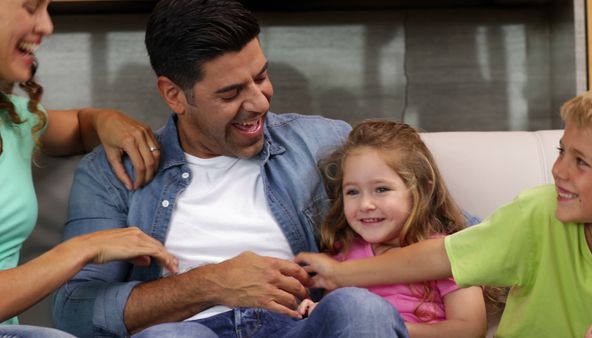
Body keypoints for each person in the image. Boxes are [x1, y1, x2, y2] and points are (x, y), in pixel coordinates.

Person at [53, 0, 408, 337]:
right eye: (230, 93)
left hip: (301, 326)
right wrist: (212, 283)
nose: (258, 101)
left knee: (362, 307)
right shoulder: (111, 174)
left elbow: (442, 229)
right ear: (174, 94)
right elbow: (74, 313)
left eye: (261, 76)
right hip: (187, 332)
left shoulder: (323, 141)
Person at [296, 80, 592, 338]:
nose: (559, 170)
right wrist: (339, 275)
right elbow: (442, 256)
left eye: (581, 162)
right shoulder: (538, 211)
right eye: (561, 151)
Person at [0, 0, 179, 337]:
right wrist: (83, 248)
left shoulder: (12, 118)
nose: (47, 26)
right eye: (31, 7)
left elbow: (81, 125)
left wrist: (106, 120)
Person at [295, 120, 487, 337]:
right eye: (352, 192)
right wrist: (318, 311)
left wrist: (390, 328)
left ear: (421, 189)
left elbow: (470, 329)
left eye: (381, 189)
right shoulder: (342, 255)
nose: (365, 204)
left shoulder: (444, 253)